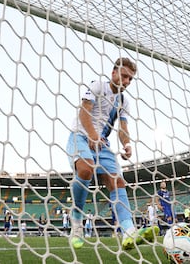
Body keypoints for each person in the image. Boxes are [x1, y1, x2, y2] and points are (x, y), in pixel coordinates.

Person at [66, 57, 159, 249]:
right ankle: (76, 224)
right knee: (86, 169)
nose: (126, 82)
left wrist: (127, 144)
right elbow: (84, 110)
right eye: (124, 76)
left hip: (102, 144)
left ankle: (129, 232)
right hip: (81, 136)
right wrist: (92, 135)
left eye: (130, 79)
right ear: (114, 73)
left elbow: (123, 128)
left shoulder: (124, 101)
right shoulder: (98, 86)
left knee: (117, 181)